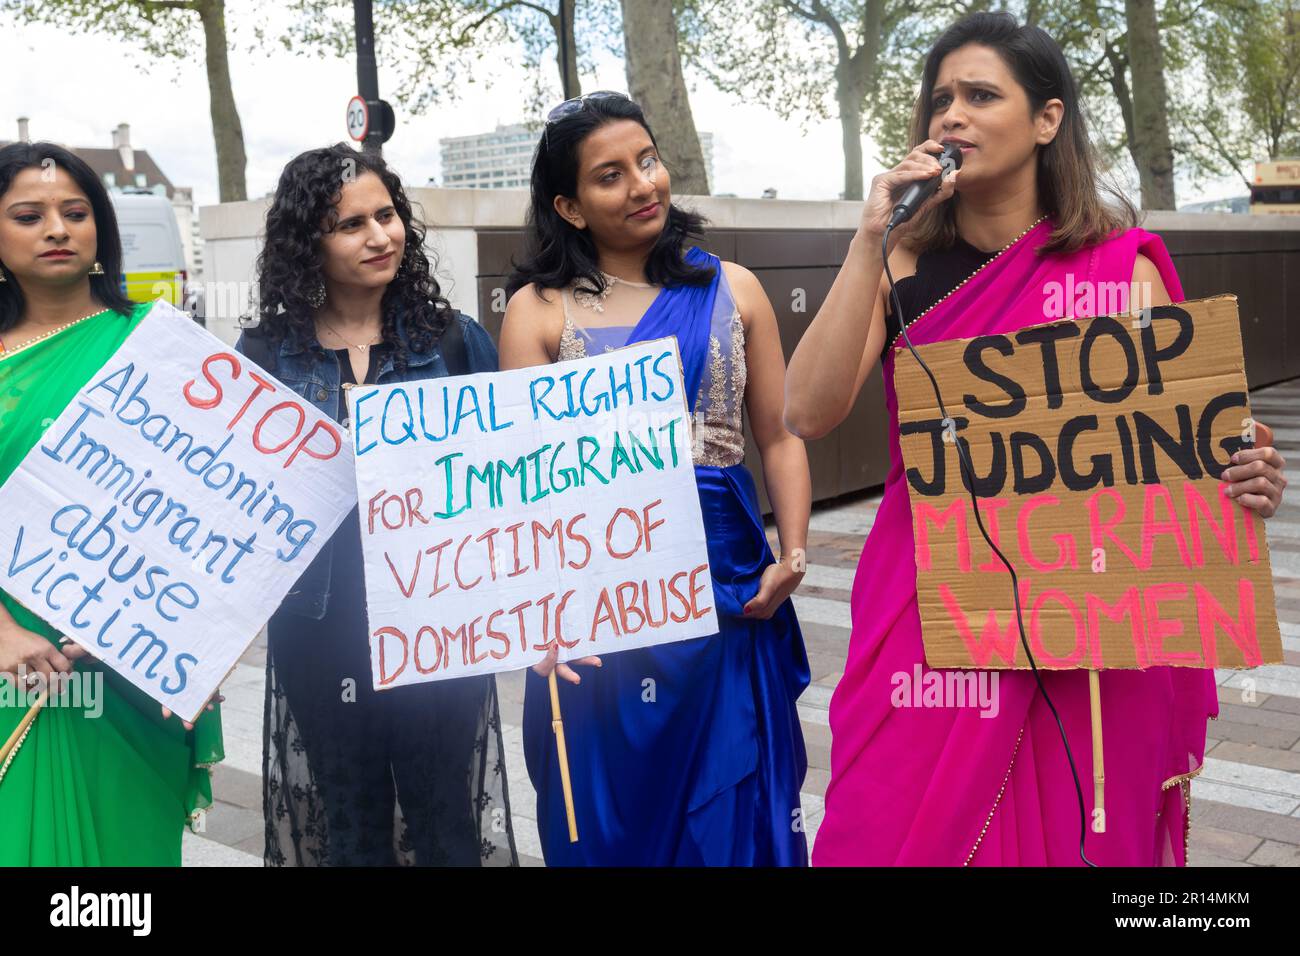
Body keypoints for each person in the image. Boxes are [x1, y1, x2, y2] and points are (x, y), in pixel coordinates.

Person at [785, 12, 1289, 866]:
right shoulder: (899, 264)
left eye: (981, 95)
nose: (951, 116)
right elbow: (806, 411)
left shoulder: (1120, 268)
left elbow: (1180, 457)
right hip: (928, 609)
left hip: (1086, 619)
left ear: (1047, 121)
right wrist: (871, 238)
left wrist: (1246, 476)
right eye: (940, 100)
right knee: (882, 824)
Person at [500, 92, 813, 865]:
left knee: (731, 810)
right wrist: (537, 614)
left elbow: (778, 435)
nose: (643, 184)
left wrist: (793, 555)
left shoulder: (733, 288)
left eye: (647, 161)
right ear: (570, 207)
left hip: (728, 583)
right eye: (611, 176)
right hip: (598, 599)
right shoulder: (537, 313)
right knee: (611, 815)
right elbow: (517, 483)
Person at [242, 144, 516, 866]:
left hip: (437, 623)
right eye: (350, 224)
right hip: (319, 626)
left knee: (444, 821)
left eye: (387, 215)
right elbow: (235, 497)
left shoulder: (455, 340)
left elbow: (508, 481)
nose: (379, 236)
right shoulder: (265, 352)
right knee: (350, 824)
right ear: (309, 244)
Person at [0, 142, 223, 865]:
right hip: (12, 657)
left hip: (133, 658)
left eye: (76, 212)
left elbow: (217, 511)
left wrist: (188, 637)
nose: (57, 229)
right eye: (29, 216)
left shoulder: (161, 348)